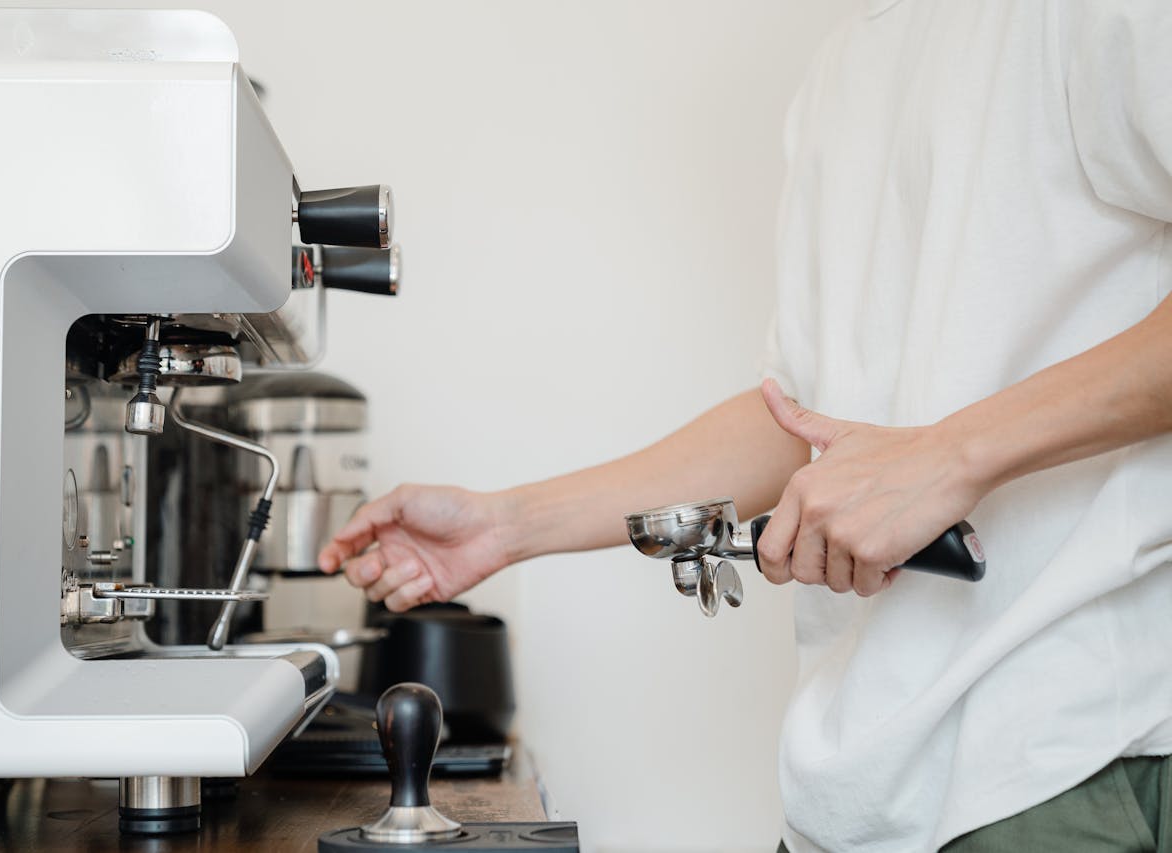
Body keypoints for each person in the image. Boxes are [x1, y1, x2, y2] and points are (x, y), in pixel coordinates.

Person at [319, 2, 1172, 850]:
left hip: (1061, 763)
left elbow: (910, 453)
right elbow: (799, 419)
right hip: (854, 794)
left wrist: (952, 456)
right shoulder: (842, 68)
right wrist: (505, 526)